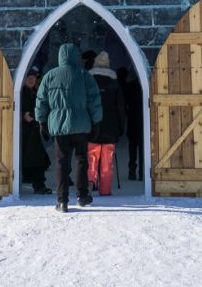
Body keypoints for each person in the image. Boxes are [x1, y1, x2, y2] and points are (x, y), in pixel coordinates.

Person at [35, 42, 102, 212]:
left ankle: (62, 201)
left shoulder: (50, 76)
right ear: (76, 57)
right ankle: (82, 196)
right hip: (81, 124)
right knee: (81, 160)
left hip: (59, 125)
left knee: (62, 162)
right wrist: (97, 122)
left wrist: (42, 122)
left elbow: (41, 101)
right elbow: (94, 100)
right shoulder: (84, 75)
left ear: (60, 56)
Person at [87, 51, 125, 195]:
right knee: (107, 161)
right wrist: (121, 127)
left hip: (93, 126)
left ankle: (90, 181)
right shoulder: (114, 83)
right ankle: (105, 190)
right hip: (111, 126)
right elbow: (120, 106)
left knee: (91, 156)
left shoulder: (89, 81)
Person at [19, 66, 52, 194]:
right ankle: (38, 185)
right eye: (29, 77)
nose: (31, 79)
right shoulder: (23, 93)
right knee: (37, 160)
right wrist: (25, 116)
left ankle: (38, 184)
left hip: (33, 132)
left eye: (33, 77)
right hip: (26, 133)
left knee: (38, 160)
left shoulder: (35, 93)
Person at [118, 65, 144, 181]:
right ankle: (142, 173)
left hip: (132, 119)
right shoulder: (145, 87)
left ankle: (132, 171)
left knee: (132, 147)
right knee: (142, 148)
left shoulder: (128, 87)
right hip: (143, 120)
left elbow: (124, 105)